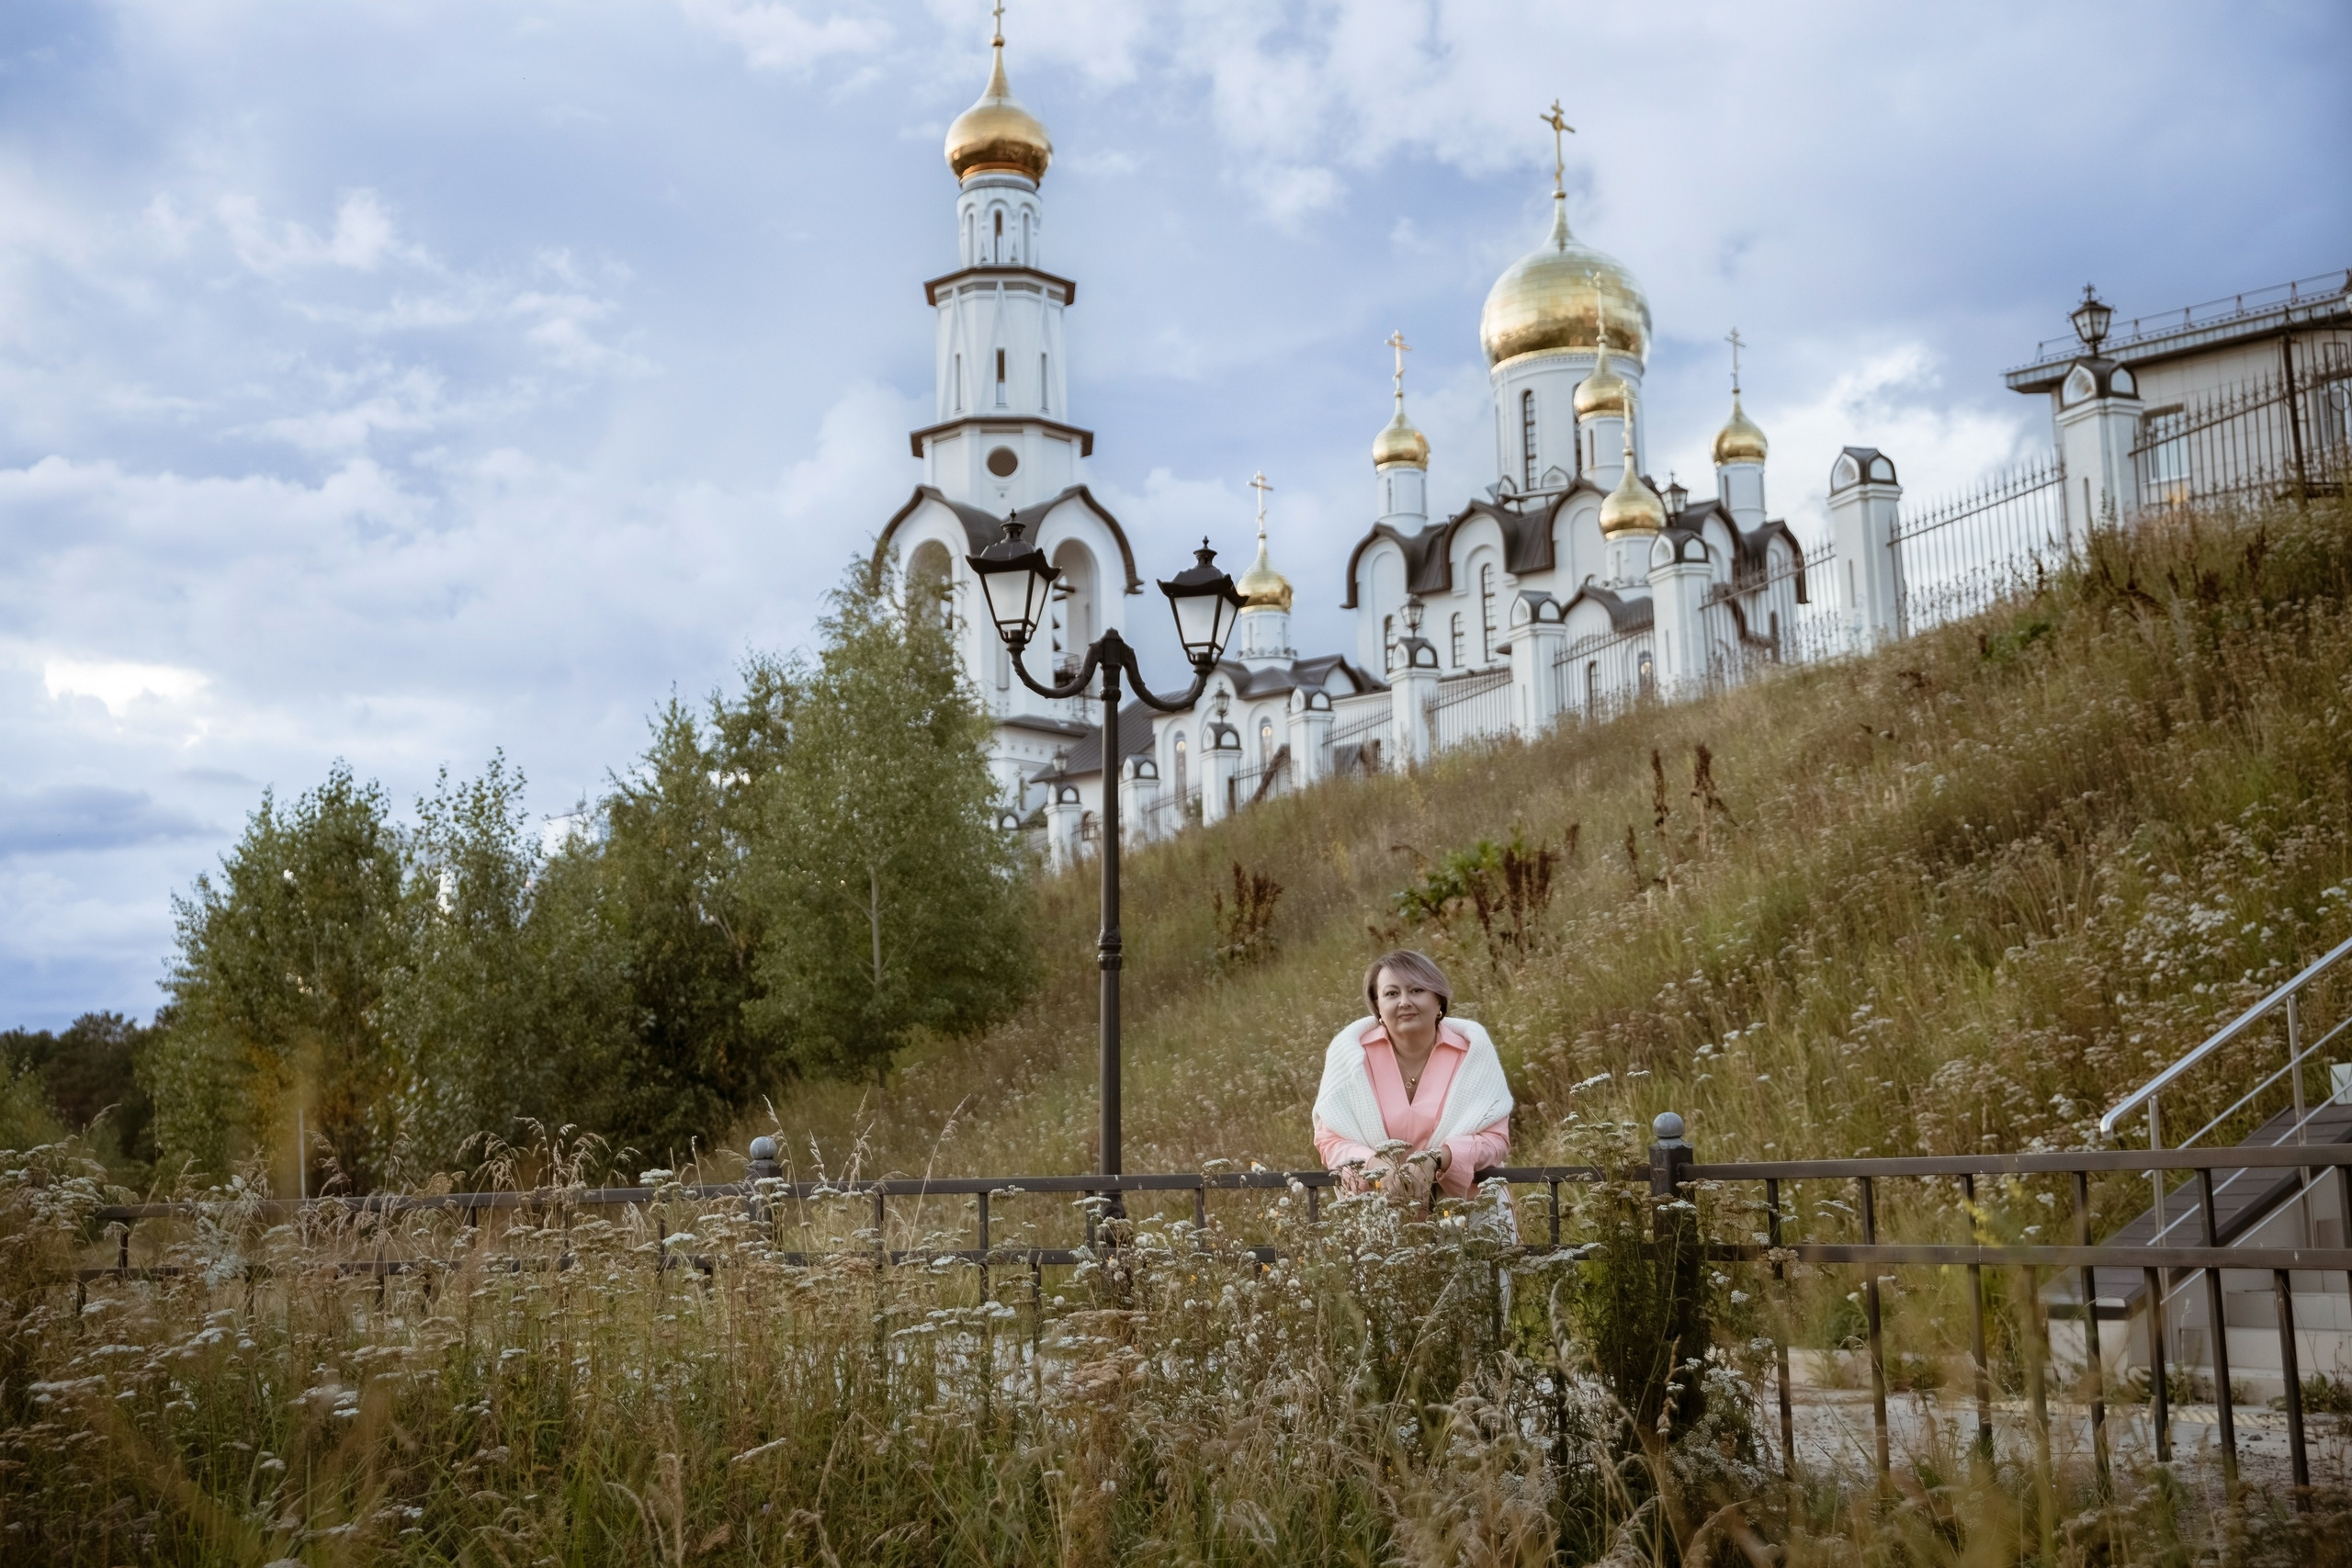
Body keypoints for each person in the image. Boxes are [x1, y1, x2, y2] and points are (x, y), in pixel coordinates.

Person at [1313, 950, 1511, 1199]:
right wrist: (1373, 1164)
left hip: (1468, 1218)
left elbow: (1496, 1141)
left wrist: (1438, 1159)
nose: (1404, 1001)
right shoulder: (1351, 1057)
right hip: (1381, 1218)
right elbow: (1330, 1141)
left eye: (1416, 990)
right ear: (1377, 1005)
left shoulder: (1473, 1054)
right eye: (1391, 993)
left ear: (1438, 1000)